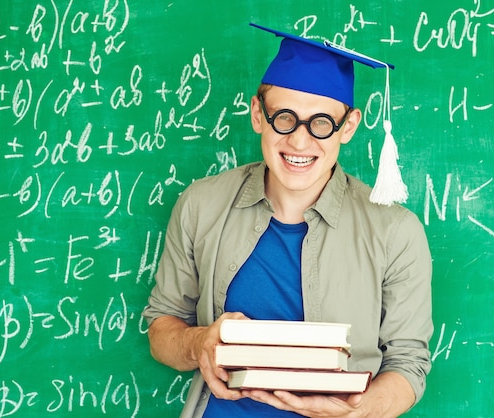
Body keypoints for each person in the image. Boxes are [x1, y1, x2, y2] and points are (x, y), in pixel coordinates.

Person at [143, 22, 433, 418]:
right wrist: (200, 344)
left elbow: (409, 365)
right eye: (284, 117)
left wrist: (358, 411)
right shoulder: (201, 205)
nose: (299, 141)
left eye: (321, 123)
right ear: (258, 115)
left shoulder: (396, 232)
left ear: (347, 126)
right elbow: (162, 330)